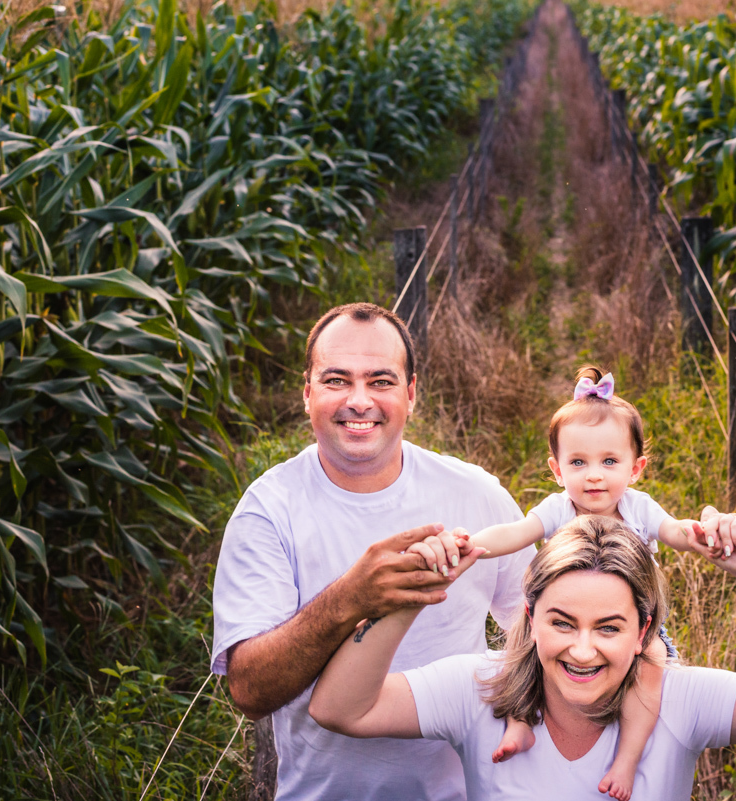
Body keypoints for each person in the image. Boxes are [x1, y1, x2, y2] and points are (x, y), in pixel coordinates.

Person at [210, 302, 535, 801]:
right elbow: (250, 693)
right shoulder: (268, 511)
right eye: (337, 380)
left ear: (410, 394)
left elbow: (538, 626)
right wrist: (351, 598)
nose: (359, 401)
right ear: (307, 393)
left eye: (380, 381)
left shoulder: (477, 493)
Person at [309, 511, 736, 801]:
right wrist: (410, 595)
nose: (581, 650)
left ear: (645, 628)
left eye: (609, 627)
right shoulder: (478, 690)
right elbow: (341, 709)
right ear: (529, 614)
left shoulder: (678, 700)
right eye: (561, 622)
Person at [406, 364, 713, 800]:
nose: (593, 475)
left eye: (610, 462)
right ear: (556, 468)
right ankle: (520, 722)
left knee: (653, 667)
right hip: (562, 620)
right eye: (578, 462)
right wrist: (469, 544)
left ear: (636, 467)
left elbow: (674, 532)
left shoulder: (638, 508)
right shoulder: (557, 508)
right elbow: (515, 533)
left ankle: (626, 759)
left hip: (633, 627)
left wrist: (701, 535)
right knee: (519, 649)